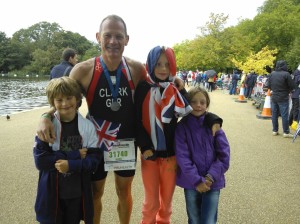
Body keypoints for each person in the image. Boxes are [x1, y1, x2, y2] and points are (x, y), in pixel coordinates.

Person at [37, 15, 220, 224]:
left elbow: (158, 83)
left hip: (126, 140)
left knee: (124, 191)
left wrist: (175, 80)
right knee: (96, 193)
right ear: (98, 37)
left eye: (118, 36)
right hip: (96, 141)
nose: (113, 41)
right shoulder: (83, 70)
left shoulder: (136, 69)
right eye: (108, 35)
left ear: (127, 39)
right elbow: (63, 98)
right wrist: (45, 116)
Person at [134, 46, 223, 224]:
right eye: (158, 64)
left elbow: (195, 111)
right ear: (151, 64)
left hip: (171, 156)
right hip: (149, 154)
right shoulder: (142, 88)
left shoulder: (175, 88)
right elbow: (135, 120)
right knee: (150, 201)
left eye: (167, 64)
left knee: (166, 202)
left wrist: (214, 119)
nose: (163, 69)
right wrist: (144, 146)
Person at [33, 77, 102, 224]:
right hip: (52, 194)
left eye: (69, 98)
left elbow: (94, 160)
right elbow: (41, 161)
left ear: (78, 99)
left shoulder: (88, 127)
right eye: (59, 100)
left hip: (77, 194)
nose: (65, 104)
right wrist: (75, 155)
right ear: (52, 103)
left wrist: (71, 165)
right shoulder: (46, 126)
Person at [175, 86, 230, 224]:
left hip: (213, 182)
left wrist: (210, 177)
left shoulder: (214, 126)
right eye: (193, 102)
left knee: (209, 220)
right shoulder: (182, 127)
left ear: (207, 105)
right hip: (191, 183)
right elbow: (182, 157)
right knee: (194, 219)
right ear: (187, 104)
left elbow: (224, 155)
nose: (198, 105)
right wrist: (197, 180)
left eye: (202, 102)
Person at [268, 60, 295, 138]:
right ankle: (286, 132)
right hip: (283, 97)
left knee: (274, 114)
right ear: (284, 66)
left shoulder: (272, 74)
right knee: (284, 115)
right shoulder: (286, 74)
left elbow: (269, 85)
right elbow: (292, 85)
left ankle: (275, 130)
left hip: (274, 96)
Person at [289, 65, 300, 130]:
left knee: (293, 108)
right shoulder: (298, 75)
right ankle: (294, 124)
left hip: (294, 93)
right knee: (296, 109)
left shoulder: (294, 73)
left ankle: (290, 122)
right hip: (297, 94)